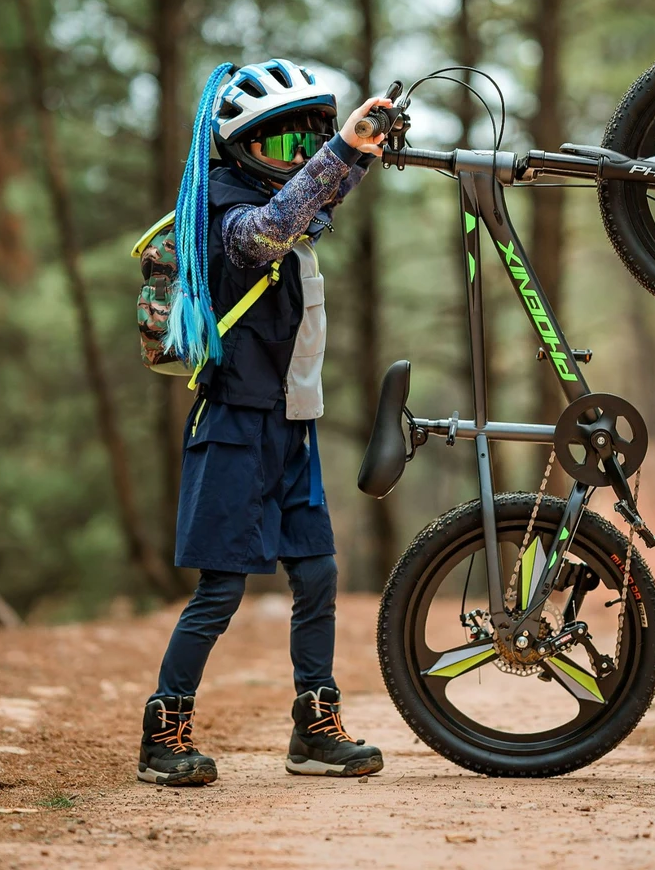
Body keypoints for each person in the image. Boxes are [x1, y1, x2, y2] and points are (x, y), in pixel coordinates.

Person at [136, 59, 392, 786]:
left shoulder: (288, 198)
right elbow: (270, 234)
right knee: (221, 589)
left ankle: (313, 730)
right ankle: (165, 730)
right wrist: (341, 151)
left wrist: (359, 152)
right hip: (234, 428)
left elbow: (314, 201)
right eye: (282, 148)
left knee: (317, 575)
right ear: (244, 148)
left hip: (291, 426)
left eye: (304, 148)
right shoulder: (225, 212)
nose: (296, 163)